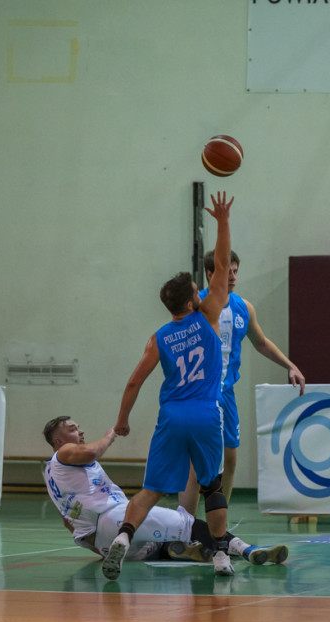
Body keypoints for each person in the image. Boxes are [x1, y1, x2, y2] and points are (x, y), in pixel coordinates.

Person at [107, 191, 235, 580]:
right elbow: (223, 264)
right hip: (204, 412)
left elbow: (134, 382)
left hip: (171, 414)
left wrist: (122, 422)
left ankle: (123, 539)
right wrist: (223, 221)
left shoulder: (159, 337)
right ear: (194, 298)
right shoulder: (209, 315)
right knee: (212, 484)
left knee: (151, 488)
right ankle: (220, 556)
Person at [42, 415, 288, 565]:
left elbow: (68, 523)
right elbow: (92, 452)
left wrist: (98, 548)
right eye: (73, 428)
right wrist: (109, 436)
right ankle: (247, 550)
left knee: (161, 543)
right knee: (191, 523)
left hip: (102, 542)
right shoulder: (63, 453)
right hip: (114, 517)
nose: (81, 431)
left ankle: (180, 548)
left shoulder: (51, 475)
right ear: (59, 441)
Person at [179, 249, 306, 511]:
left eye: (236, 271)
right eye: (228, 271)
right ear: (211, 274)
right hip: (201, 395)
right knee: (196, 464)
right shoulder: (198, 307)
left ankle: (219, 524)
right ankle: (186, 525)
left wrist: (290, 365)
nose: (233, 276)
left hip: (226, 394)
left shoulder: (243, 308)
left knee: (231, 459)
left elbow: (260, 342)